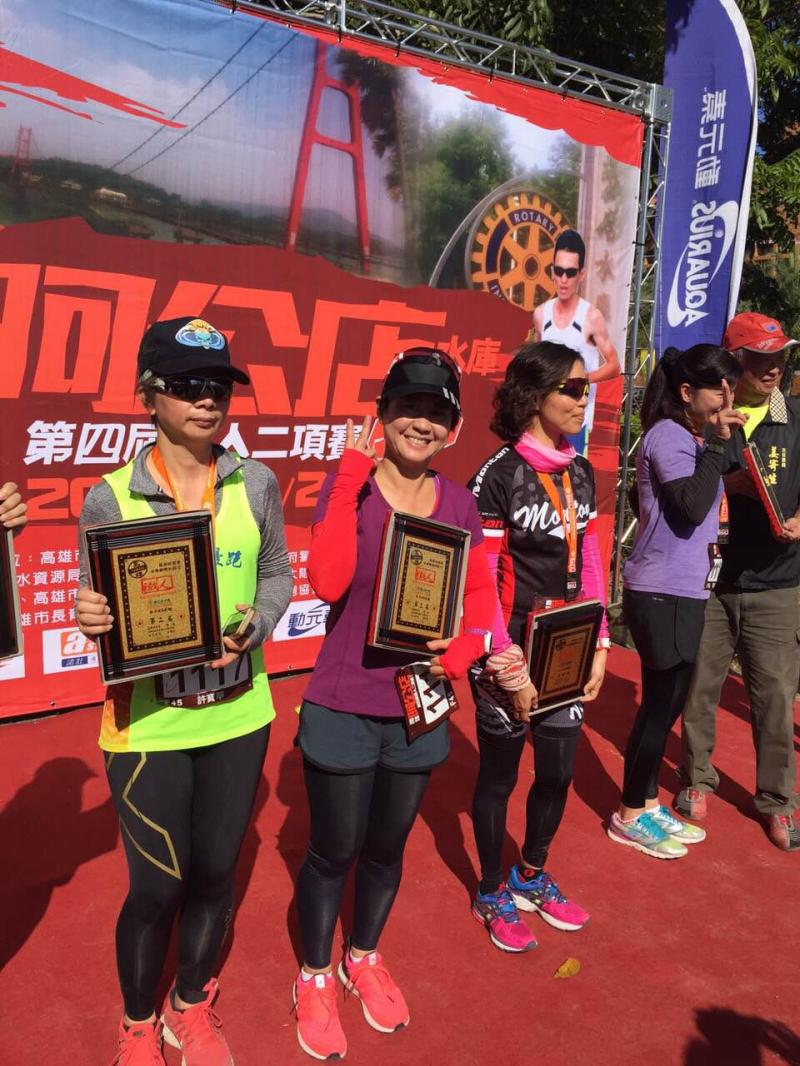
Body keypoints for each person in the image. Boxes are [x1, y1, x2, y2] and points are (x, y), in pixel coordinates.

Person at [75, 317, 292, 1065]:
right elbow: (97, 603)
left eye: (220, 387)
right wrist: (92, 616)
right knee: (156, 888)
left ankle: (189, 1003)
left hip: (240, 715)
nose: (207, 401)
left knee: (215, 874)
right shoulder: (108, 498)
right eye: (188, 386)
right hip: (150, 725)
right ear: (148, 394)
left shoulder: (256, 482)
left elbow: (277, 572)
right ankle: (138, 1022)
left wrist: (258, 623)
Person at [292, 348, 495, 1060]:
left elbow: (481, 598)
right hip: (344, 701)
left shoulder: (460, 503)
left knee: (386, 849)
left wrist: (464, 650)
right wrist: (351, 476)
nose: (421, 423)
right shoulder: (350, 485)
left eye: (437, 412)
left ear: (454, 425)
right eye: (408, 407)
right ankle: (315, 974)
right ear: (382, 413)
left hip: (419, 705)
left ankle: (364, 955)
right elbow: (326, 582)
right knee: (333, 851)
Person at [468, 340, 610, 953]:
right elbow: (479, 580)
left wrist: (601, 639)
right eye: (572, 389)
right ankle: (491, 889)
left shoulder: (581, 469)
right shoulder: (496, 477)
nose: (584, 400)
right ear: (533, 397)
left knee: (557, 771)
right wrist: (506, 664)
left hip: (567, 645)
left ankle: (531, 873)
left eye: (586, 389)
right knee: (500, 777)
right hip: (508, 651)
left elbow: (593, 557)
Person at [607, 344, 744, 858]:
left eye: (732, 390)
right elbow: (689, 506)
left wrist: (718, 441)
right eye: (719, 390)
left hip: (687, 587)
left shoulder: (693, 437)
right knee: (659, 705)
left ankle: (646, 801)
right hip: (659, 589)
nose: (727, 400)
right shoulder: (667, 435)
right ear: (687, 392)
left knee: (666, 705)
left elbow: (713, 486)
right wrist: (715, 445)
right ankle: (628, 813)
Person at [676, 313, 800, 851]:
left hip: (777, 582)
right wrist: (730, 483)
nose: (772, 368)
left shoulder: (795, 417)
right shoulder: (706, 419)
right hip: (710, 579)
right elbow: (682, 490)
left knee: (774, 698)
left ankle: (778, 800)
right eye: (759, 357)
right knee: (700, 689)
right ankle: (695, 779)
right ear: (735, 362)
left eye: (779, 356)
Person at [532, 229, 620, 455]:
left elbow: (614, 365)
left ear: (581, 274)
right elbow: (538, 363)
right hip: (543, 419)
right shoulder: (541, 314)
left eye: (570, 273)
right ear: (552, 271)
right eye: (559, 271)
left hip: (575, 422)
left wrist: (579, 381)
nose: (563, 280)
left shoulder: (591, 317)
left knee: (571, 474)